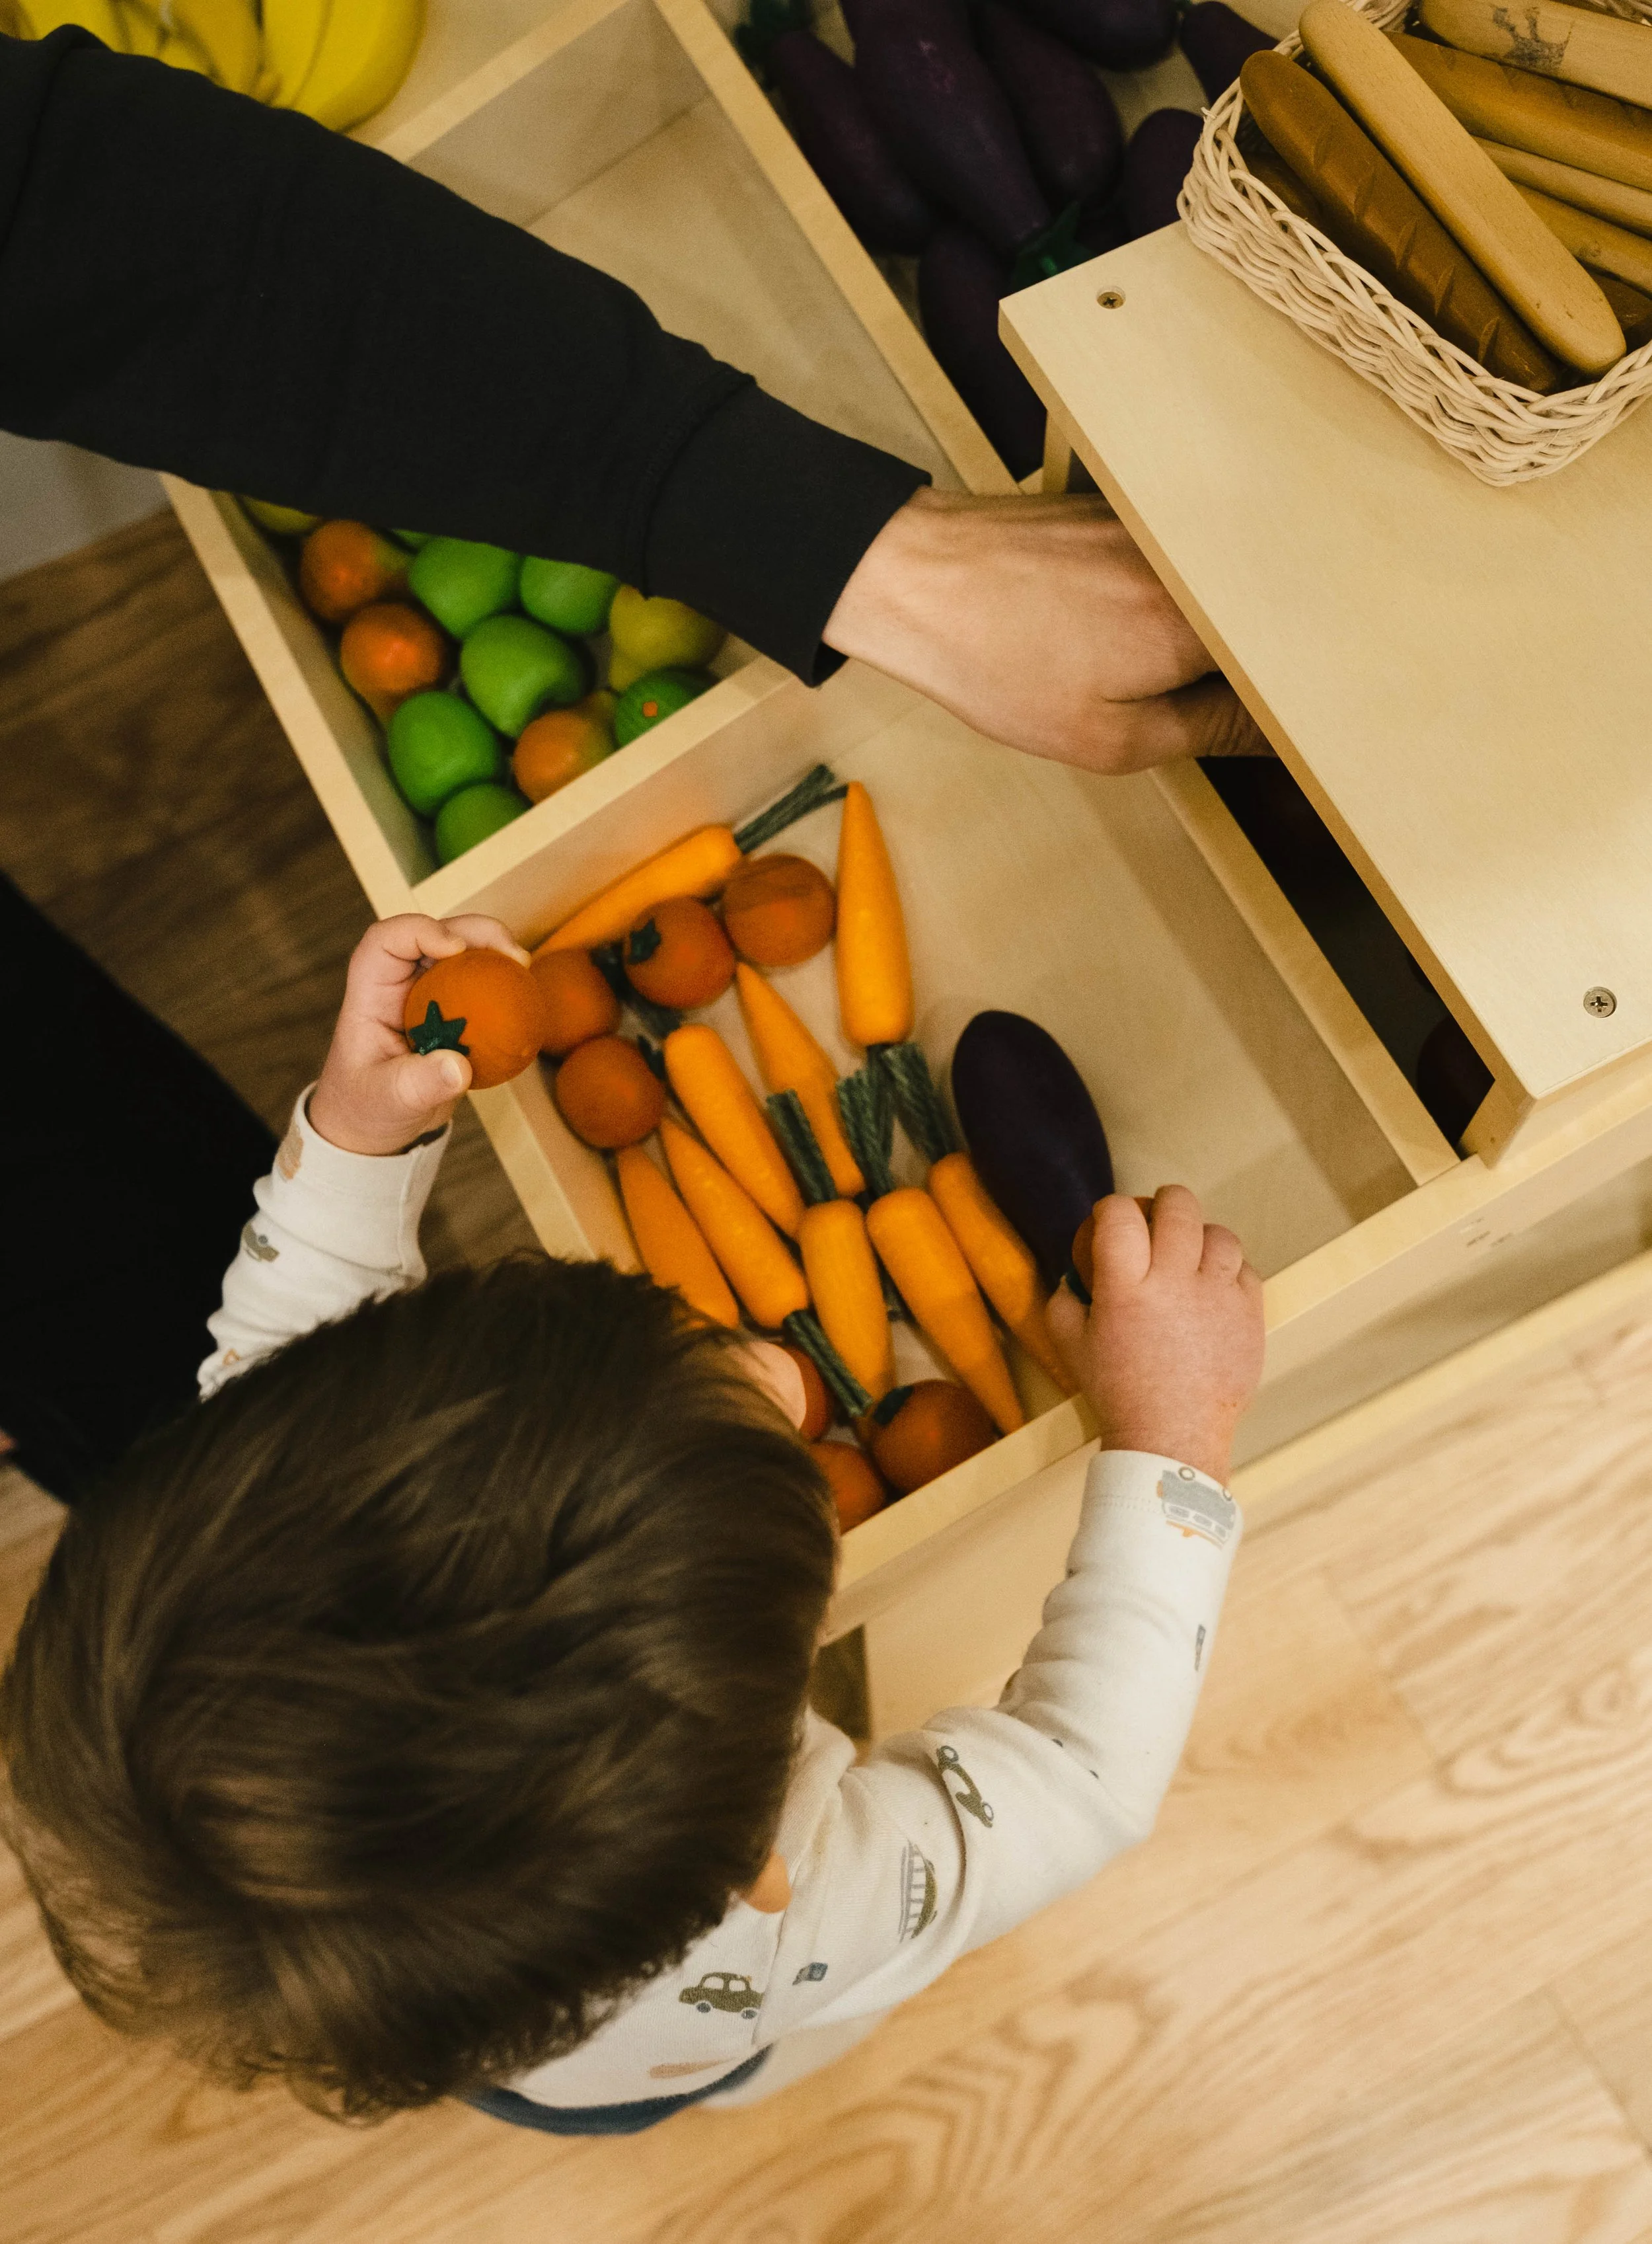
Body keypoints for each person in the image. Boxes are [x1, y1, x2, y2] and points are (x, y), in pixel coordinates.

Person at [0, 22, 1259, 1493]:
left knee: (107, 1255)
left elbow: (70, 213)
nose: (780, 1385)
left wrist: (341, 1166)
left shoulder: (232, 1527)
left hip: (186, 1363)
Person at [0, 915, 1265, 2130]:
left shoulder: (270, 1495)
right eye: (778, 1448)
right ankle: (755, 2067)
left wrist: (355, 1140)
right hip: (672, 2034)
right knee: (768, 2039)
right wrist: (1171, 1438)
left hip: (476, 2014)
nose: (783, 1367)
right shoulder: (792, 1912)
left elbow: (287, 1337)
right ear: (752, 1852)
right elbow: (1086, 1776)